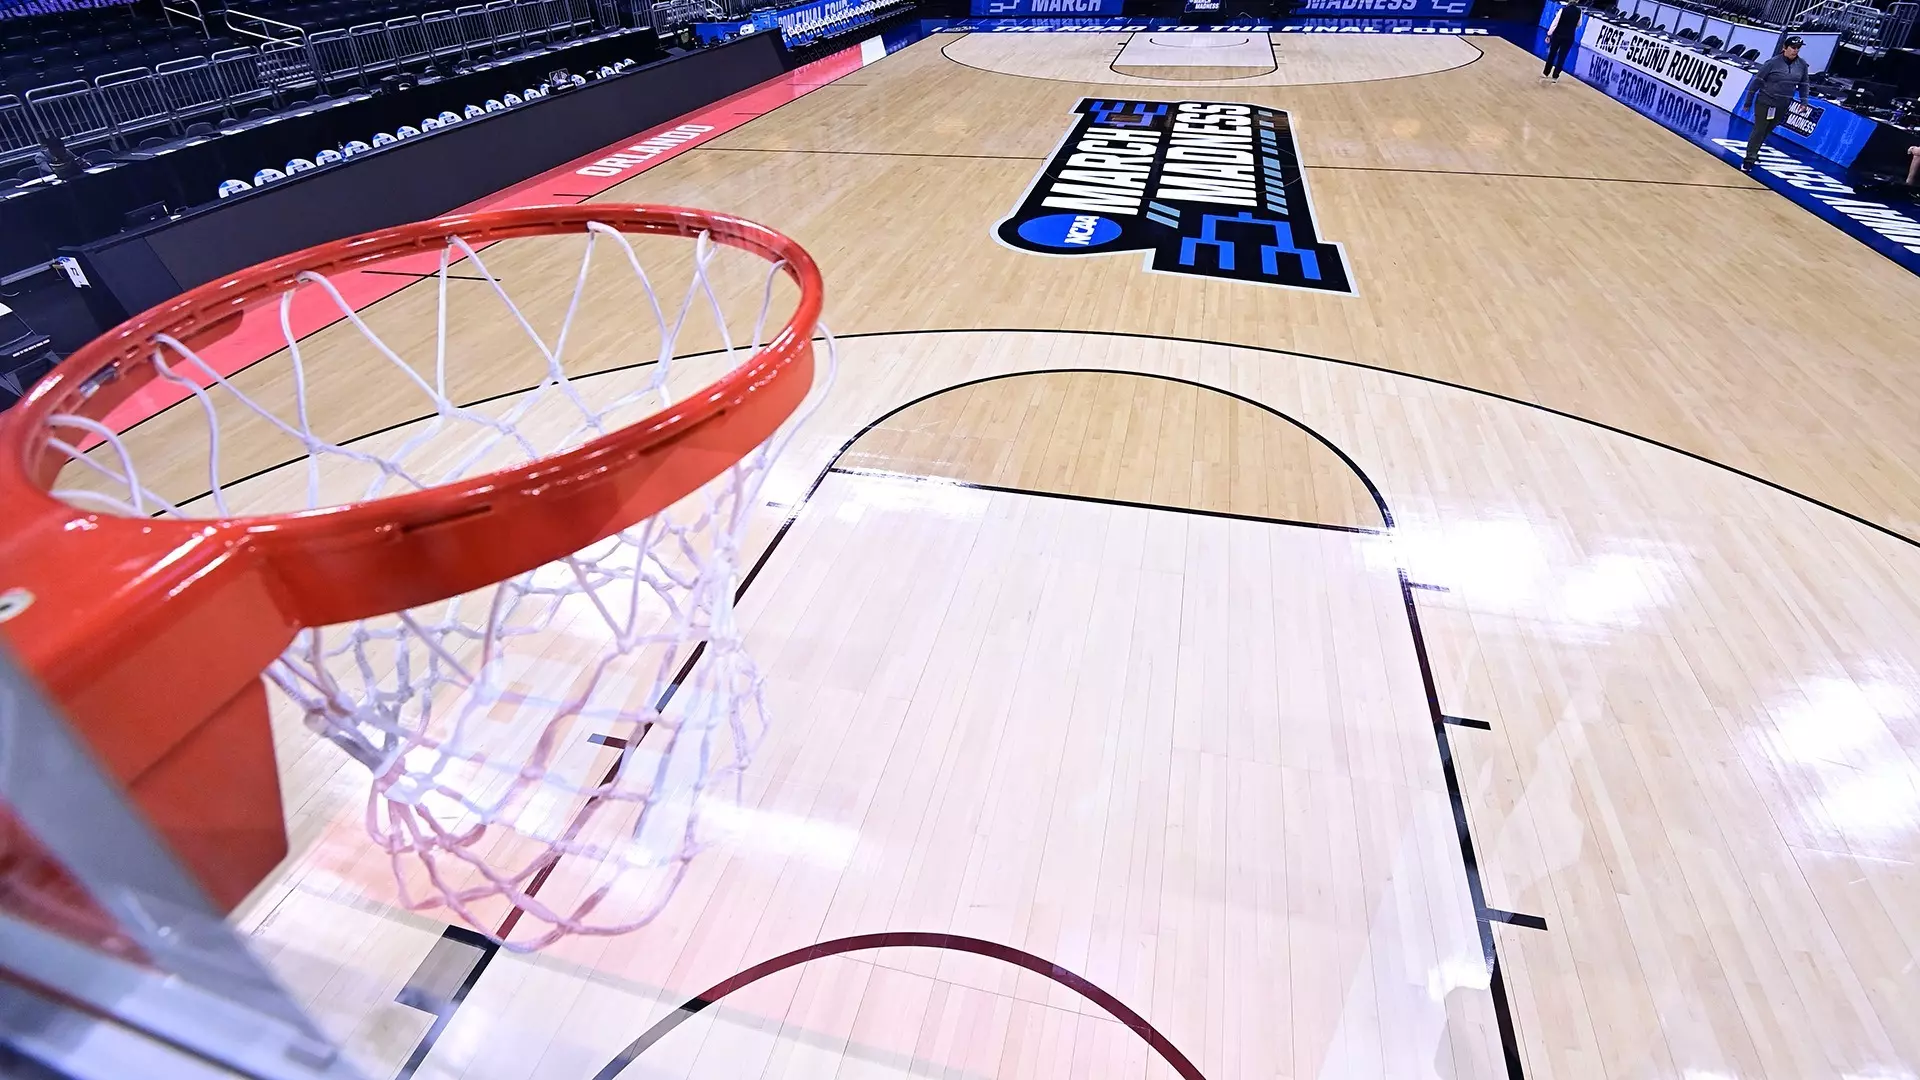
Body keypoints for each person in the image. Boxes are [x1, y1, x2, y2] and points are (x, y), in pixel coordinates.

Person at [1738, 35, 1810, 172]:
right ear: (1784, 48)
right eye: (1793, 48)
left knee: (1768, 129)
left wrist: (1804, 101)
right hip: (1765, 101)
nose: (1795, 51)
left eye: (1798, 48)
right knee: (1759, 129)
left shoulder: (1802, 65)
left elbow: (1804, 84)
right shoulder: (1772, 63)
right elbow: (1756, 82)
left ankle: (1755, 150)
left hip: (1783, 104)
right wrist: (1748, 102)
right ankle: (1749, 159)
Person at [1542, 2, 1582, 82]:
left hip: (1558, 35)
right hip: (1569, 37)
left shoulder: (1563, 10)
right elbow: (1579, 24)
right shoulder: (1579, 11)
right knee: (1562, 56)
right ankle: (1555, 75)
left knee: (1552, 54)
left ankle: (1546, 72)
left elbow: (1555, 23)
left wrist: (1549, 34)